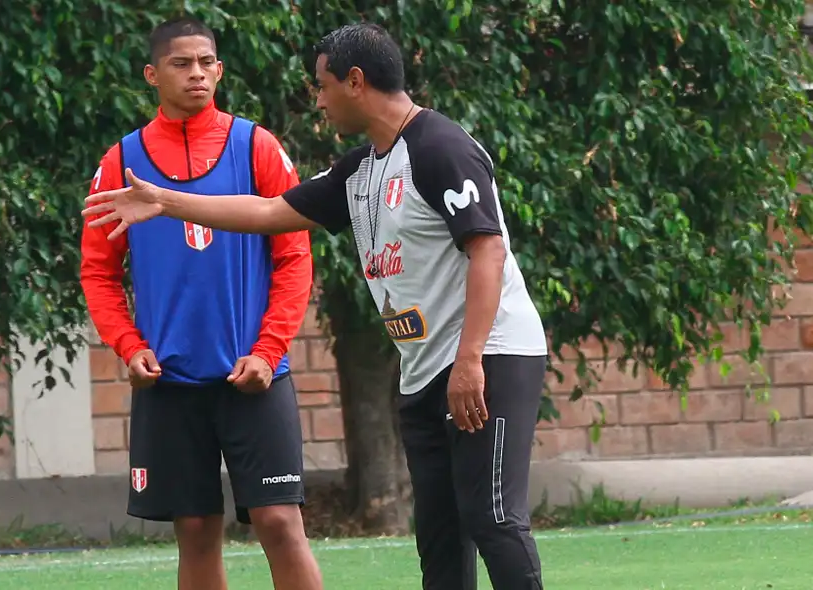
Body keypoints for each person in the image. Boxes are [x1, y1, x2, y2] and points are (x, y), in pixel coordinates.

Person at [82, 21, 549, 590]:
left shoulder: (441, 147)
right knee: (441, 529)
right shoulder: (361, 169)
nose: (318, 100)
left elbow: (488, 251)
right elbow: (268, 213)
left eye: (323, 86)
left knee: (493, 518)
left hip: (489, 354)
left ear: (355, 82)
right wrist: (165, 201)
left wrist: (471, 358)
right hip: (426, 368)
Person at [79, 16, 323, 590]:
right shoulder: (120, 162)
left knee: (280, 521)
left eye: (206, 62)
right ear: (151, 74)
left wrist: (268, 351)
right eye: (180, 63)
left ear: (219, 68)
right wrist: (129, 346)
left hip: (255, 376)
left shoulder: (257, 146)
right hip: (169, 383)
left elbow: (294, 259)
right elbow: (99, 271)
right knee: (193, 527)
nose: (197, 74)